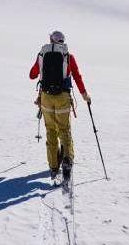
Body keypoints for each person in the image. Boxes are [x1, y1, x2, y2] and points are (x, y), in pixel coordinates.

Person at [29, 30, 91, 181]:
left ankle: (53, 167)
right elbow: (77, 76)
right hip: (63, 96)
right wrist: (84, 95)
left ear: (51, 40)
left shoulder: (42, 54)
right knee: (64, 129)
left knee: (51, 130)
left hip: (45, 98)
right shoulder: (68, 57)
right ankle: (67, 161)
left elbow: (32, 75)